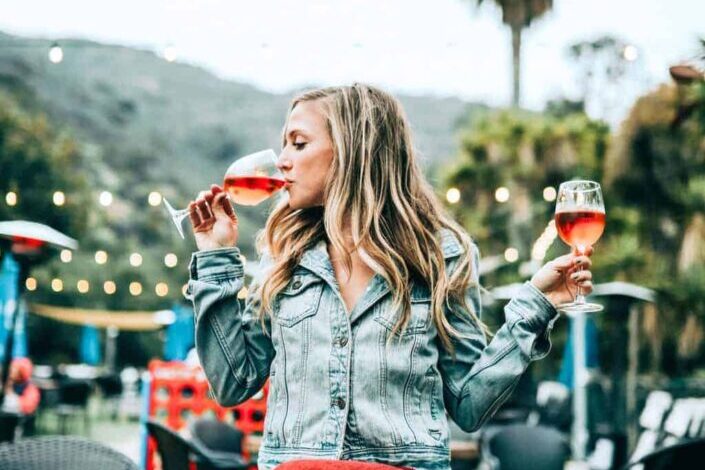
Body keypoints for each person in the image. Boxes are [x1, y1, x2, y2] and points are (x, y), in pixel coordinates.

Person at [186, 84, 594, 470]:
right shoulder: (284, 257)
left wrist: (534, 308)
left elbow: (469, 405)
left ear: (351, 151)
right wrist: (216, 255)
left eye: (299, 143)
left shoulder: (442, 256)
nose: (282, 161)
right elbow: (232, 383)